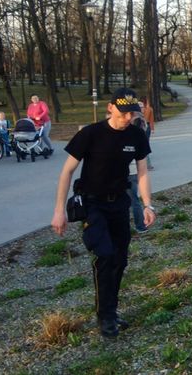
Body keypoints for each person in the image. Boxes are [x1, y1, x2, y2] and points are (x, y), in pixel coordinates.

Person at [51, 87, 157, 337]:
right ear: (110, 108)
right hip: (93, 204)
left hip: (119, 203)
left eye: (132, 114)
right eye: (123, 113)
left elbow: (142, 172)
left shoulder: (137, 136)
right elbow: (66, 172)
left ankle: (111, 309)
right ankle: (105, 316)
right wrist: (59, 211)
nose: (128, 118)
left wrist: (147, 204)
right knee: (106, 256)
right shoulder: (91, 134)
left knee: (120, 260)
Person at [127, 111, 148, 234]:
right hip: (132, 171)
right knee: (133, 200)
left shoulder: (134, 132)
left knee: (132, 201)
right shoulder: (138, 130)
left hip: (131, 171)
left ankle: (140, 225)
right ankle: (140, 226)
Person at [140, 97, 154, 170]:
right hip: (147, 126)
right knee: (146, 143)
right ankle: (148, 165)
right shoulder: (149, 109)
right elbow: (151, 120)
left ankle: (147, 164)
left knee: (143, 144)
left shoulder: (139, 109)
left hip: (141, 126)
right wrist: (152, 129)